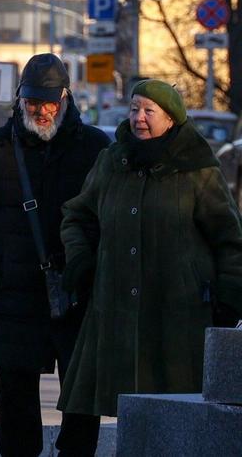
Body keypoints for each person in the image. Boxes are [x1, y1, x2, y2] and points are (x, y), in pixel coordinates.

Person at [58, 79, 242, 424]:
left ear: (171, 119)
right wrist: (80, 259)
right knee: (110, 416)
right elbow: (76, 215)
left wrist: (231, 292)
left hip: (177, 314)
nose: (138, 118)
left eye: (148, 111)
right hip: (115, 312)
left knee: (175, 417)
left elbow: (228, 236)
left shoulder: (197, 169)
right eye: (133, 109)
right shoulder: (112, 161)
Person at [0, 53, 106, 457]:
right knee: (17, 404)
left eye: (49, 102)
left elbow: (111, 222)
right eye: (32, 102)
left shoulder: (94, 148)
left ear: (66, 98)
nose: (40, 111)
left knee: (81, 397)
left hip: (78, 296)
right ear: (20, 100)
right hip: (14, 296)